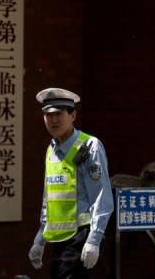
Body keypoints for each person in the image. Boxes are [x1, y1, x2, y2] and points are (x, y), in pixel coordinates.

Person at [28, 88, 114, 279]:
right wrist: (40, 239)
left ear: (73, 115)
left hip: (80, 238)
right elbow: (49, 198)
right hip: (59, 240)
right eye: (48, 115)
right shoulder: (51, 149)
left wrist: (94, 239)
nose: (53, 120)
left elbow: (102, 196)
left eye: (59, 114)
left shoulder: (89, 146)